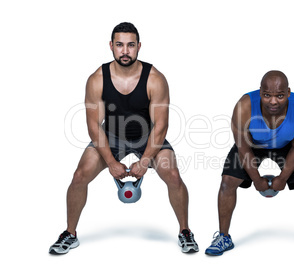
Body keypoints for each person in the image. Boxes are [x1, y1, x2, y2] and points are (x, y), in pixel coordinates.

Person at [49, 22, 198, 255]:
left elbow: (161, 126)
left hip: (148, 136)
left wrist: (145, 160)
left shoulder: (155, 78)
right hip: (111, 136)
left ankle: (185, 231)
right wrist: (111, 162)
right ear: (111, 46)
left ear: (139, 46)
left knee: (173, 175)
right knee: (79, 176)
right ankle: (70, 233)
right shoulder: (97, 79)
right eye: (119, 45)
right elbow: (93, 125)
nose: (125, 51)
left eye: (130, 45)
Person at [205, 71, 294, 257]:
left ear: (288, 92)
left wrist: (283, 178)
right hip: (252, 145)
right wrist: (256, 179)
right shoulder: (244, 107)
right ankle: (223, 237)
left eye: (279, 95)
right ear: (260, 92)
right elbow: (243, 147)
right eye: (267, 95)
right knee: (227, 181)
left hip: (289, 145)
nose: (273, 101)